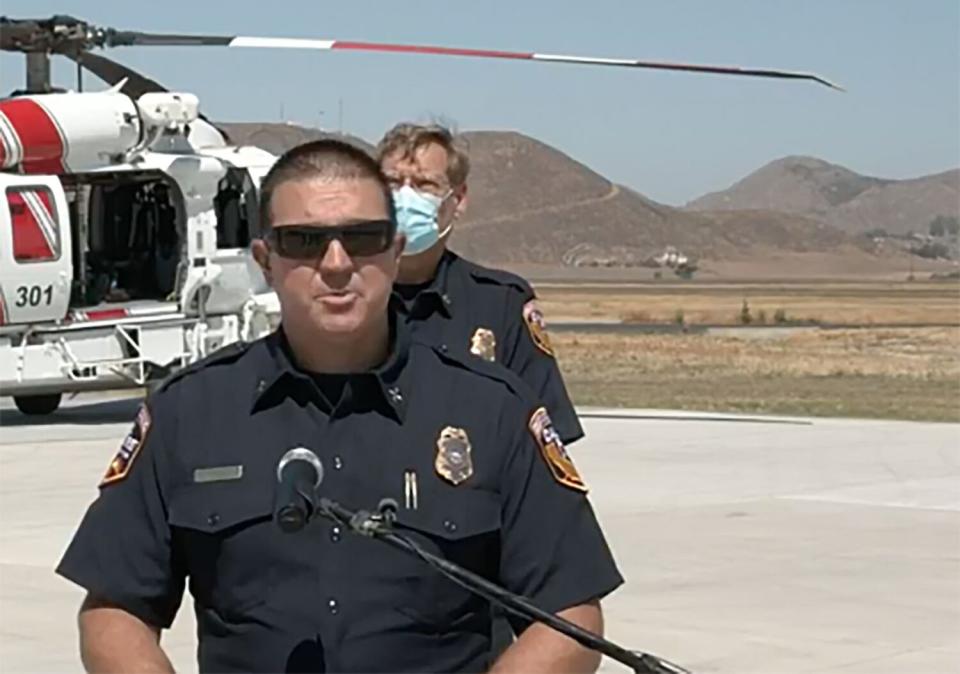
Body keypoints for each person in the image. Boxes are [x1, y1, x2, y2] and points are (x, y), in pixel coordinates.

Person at [55, 139, 623, 674]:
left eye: (363, 239)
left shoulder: (493, 410)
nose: (335, 263)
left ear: (396, 252)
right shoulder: (190, 412)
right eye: (304, 241)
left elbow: (570, 613)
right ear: (264, 259)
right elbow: (115, 609)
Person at [377, 123, 584, 446]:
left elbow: (544, 435)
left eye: (424, 185)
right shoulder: (343, 297)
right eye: (391, 183)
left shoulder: (501, 305)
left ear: (457, 200)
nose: (405, 197)